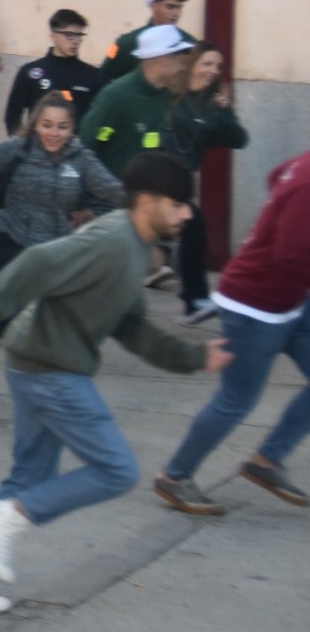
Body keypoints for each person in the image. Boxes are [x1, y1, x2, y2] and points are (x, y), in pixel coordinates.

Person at [0, 152, 229, 615]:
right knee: (117, 470)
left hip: (35, 361)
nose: (187, 213)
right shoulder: (112, 241)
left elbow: (132, 328)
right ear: (148, 202)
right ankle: (6, 517)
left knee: (30, 477)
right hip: (52, 368)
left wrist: (193, 357)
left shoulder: (134, 249)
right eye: (179, 203)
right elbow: (39, 262)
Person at [0, 92, 124, 418]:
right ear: (36, 124)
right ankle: (7, 378)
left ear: (72, 129)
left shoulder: (80, 158)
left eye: (63, 127)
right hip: (10, 240)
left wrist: (102, 210)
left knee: (27, 315)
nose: (54, 133)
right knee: (24, 309)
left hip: (52, 250)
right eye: (47, 125)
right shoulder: (18, 150)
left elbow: (111, 191)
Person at [153, 148, 310, 517]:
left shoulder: (301, 167)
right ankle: (174, 476)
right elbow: (291, 254)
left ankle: (267, 462)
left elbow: (276, 174)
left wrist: (272, 223)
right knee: (237, 399)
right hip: (254, 305)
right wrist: (278, 228)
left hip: (290, 301)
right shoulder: (307, 181)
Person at [163, 41, 249, 324]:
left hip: (182, 180)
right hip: (156, 173)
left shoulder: (213, 103)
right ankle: (194, 297)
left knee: (193, 230)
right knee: (192, 227)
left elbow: (238, 140)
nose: (213, 71)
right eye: (207, 63)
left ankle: (194, 299)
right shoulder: (171, 93)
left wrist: (224, 112)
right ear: (193, 64)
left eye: (218, 66)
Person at [79, 24, 192, 179]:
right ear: (163, 58)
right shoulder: (116, 96)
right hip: (107, 200)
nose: (182, 67)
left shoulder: (164, 95)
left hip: (145, 197)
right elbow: (85, 147)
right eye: (179, 59)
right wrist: (84, 202)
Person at [2, 9, 101, 135]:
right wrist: (20, 146)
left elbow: (104, 118)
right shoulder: (30, 72)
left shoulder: (92, 75)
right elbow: (13, 114)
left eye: (79, 35)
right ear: (53, 36)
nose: (75, 41)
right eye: (69, 35)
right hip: (37, 150)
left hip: (77, 150)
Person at [100, 0, 197, 83]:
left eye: (179, 8)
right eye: (170, 7)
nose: (176, 13)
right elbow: (103, 76)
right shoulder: (126, 42)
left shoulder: (189, 42)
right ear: (153, 5)